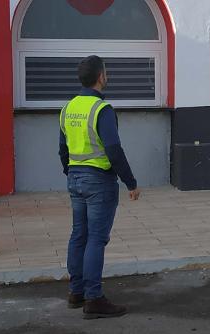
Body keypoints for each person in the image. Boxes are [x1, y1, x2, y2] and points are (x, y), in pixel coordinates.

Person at [59, 55, 141, 319]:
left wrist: (70, 172)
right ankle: (93, 299)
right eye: (105, 72)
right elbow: (114, 150)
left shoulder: (68, 108)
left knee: (78, 235)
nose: (106, 75)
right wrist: (131, 182)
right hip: (99, 181)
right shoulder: (101, 109)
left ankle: (76, 292)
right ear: (100, 77)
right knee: (96, 239)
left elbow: (62, 148)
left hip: (75, 178)